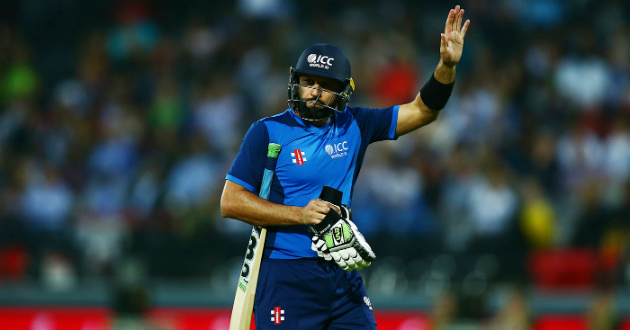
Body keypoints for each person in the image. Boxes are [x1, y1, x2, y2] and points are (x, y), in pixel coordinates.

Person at [221, 5, 470, 330]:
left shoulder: (356, 124)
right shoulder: (267, 131)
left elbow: (423, 111)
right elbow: (230, 202)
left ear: (342, 91)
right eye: (307, 81)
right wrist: (300, 214)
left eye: (324, 84)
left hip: (341, 268)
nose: (313, 91)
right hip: (286, 273)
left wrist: (446, 66)